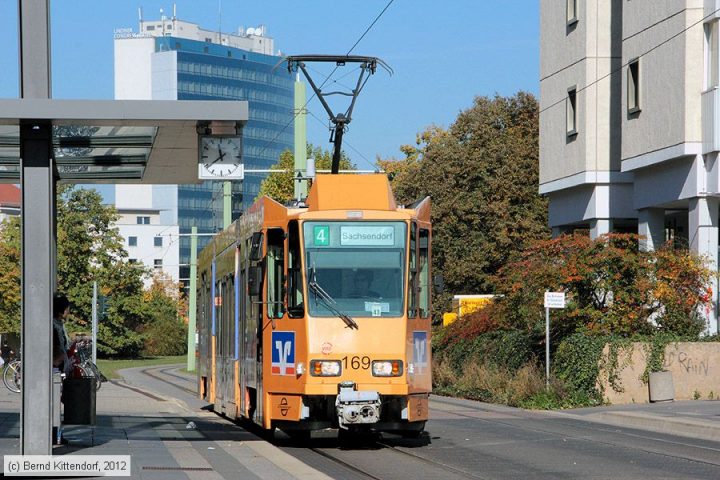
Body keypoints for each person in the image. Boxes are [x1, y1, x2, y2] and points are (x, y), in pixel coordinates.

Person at [52, 293, 72, 375]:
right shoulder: (54, 326)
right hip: (56, 365)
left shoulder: (59, 324)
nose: (68, 312)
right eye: (67, 309)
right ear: (60, 311)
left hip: (60, 364)